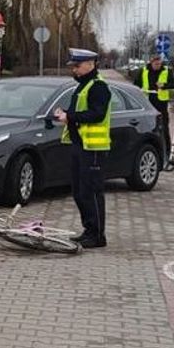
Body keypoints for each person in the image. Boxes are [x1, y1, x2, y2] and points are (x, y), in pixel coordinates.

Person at [53, 49, 112, 249]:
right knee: (79, 192)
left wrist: (70, 117)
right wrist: (65, 114)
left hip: (93, 148)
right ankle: (88, 230)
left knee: (92, 191)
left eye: (77, 66)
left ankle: (97, 235)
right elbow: (80, 112)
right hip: (80, 145)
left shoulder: (98, 87)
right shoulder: (83, 86)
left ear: (90, 64)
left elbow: (97, 114)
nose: (74, 70)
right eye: (73, 66)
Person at [138, 51, 174, 160]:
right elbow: (136, 83)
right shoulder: (144, 71)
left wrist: (164, 86)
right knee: (148, 128)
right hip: (146, 103)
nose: (158, 66)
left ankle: (167, 153)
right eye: (155, 64)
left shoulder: (166, 71)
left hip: (161, 104)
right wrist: (140, 90)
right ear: (151, 63)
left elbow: (173, 84)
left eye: (159, 64)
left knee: (163, 128)